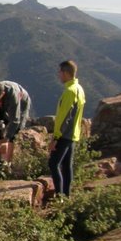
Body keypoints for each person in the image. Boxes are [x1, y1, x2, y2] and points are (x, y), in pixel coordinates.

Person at [49, 60, 86, 197]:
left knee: (53, 164)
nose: (58, 75)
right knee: (66, 166)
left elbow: (64, 117)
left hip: (64, 135)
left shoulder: (69, 92)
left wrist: (55, 138)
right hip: (73, 134)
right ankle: (67, 195)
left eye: (59, 72)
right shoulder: (79, 88)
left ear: (65, 73)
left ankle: (60, 197)